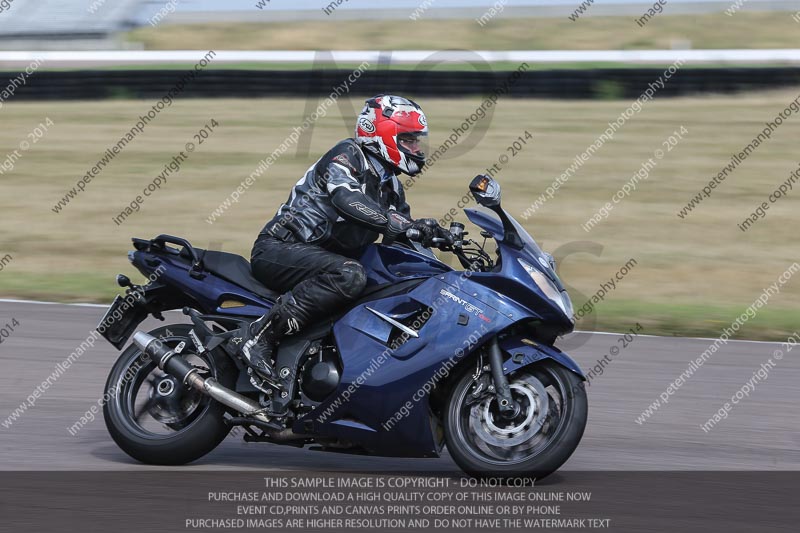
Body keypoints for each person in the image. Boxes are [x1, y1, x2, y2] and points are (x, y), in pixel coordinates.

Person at [241, 94, 449, 388]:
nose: (416, 148)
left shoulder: (391, 187)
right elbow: (346, 198)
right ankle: (260, 338)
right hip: (281, 248)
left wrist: (439, 257)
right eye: (408, 140)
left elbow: (406, 242)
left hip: (322, 259)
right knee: (350, 275)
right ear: (382, 136)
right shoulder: (347, 155)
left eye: (417, 140)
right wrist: (395, 224)